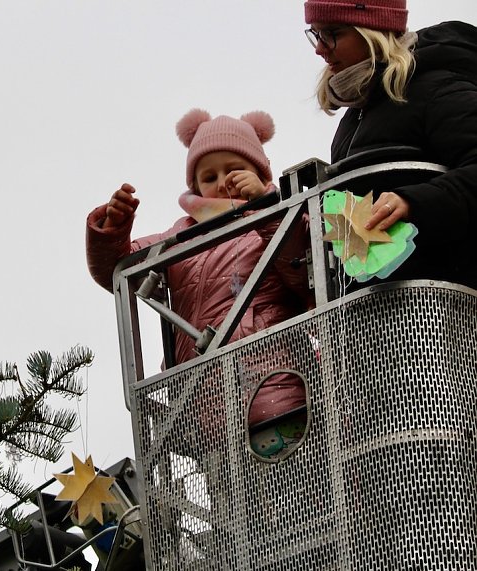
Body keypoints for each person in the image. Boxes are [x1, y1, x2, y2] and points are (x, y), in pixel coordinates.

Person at [85, 109, 311, 454]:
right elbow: (117, 270)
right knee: (241, 505)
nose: (222, 181)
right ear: (195, 186)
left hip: (274, 388)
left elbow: (302, 270)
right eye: (209, 175)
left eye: (235, 170)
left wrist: (266, 207)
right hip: (204, 405)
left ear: (259, 172)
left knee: (297, 487)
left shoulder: (280, 217)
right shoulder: (182, 237)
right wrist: (113, 228)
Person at [304, 0, 477, 289]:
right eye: (315, 34)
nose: (320, 48)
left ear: (373, 30)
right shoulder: (353, 117)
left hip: (448, 310)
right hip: (380, 320)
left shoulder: (436, 88)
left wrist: (412, 202)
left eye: (332, 33)